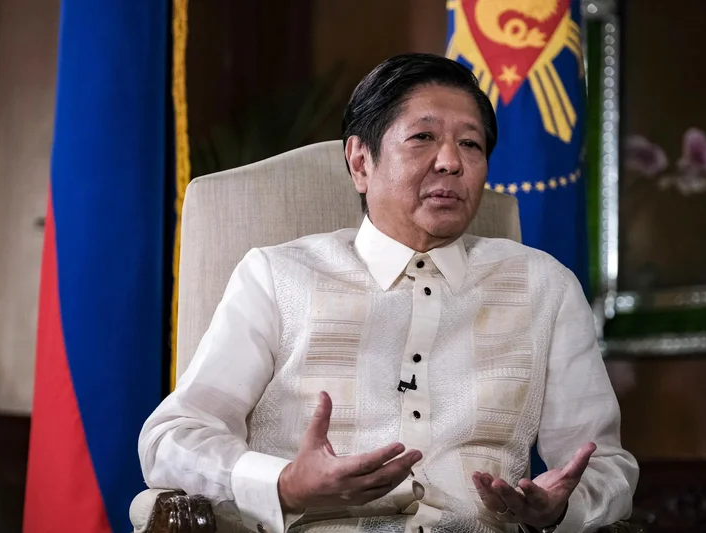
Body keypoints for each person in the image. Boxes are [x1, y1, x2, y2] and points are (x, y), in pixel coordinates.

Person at [138, 53, 638, 533]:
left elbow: (605, 466)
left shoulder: (544, 286)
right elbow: (173, 439)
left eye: (471, 144)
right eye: (423, 137)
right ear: (360, 161)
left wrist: (559, 509)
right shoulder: (277, 276)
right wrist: (285, 484)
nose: (451, 162)